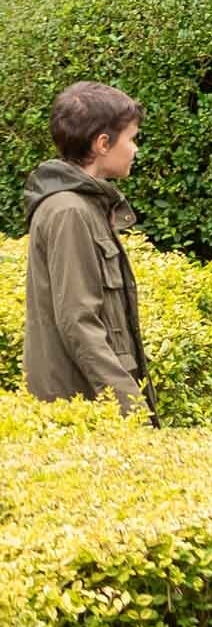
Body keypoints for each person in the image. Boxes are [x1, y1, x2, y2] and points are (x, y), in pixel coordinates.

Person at [21, 82, 148, 415]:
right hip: (84, 407)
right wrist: (131, 407)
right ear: (103, 143)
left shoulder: (84, 205)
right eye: (131, 138)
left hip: (92, 403)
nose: (135, 149)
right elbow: (79, 322)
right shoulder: (69, 212)